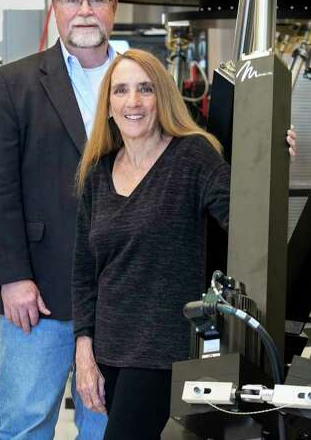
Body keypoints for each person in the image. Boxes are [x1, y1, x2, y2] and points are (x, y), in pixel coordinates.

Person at [71, 49, 297, 438]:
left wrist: (273, 165)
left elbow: (247, 221)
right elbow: (84, 271)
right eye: (121, 91)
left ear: (163, 98)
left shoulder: (192, 157)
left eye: (145, 89)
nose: (134, 102)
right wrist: (84, 347)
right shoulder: (98, 172)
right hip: (111, 349)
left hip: (166, 348)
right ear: (109, 105)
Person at [0, 0, 119, 439]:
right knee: (25, 422)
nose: (84, 10)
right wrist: (12, 277)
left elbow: (191, 152)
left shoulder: (141, 83)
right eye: (73, 0)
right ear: (54, 9)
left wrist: (266, 144)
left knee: (109, 425)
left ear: (113, 8)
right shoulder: (12, 85)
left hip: (124, 292)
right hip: (42, 292)